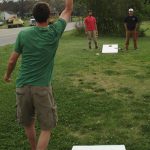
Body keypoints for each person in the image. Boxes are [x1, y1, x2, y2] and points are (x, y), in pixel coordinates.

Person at [4, 1, 73, 150]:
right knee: (46, 128)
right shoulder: (54, 32)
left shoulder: (23, 34)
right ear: (49, 16)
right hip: (42, 88)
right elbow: (68, 10)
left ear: (34, 16)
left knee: (28, 124)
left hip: (22, 87)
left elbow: (11, 61)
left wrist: (7, 76)